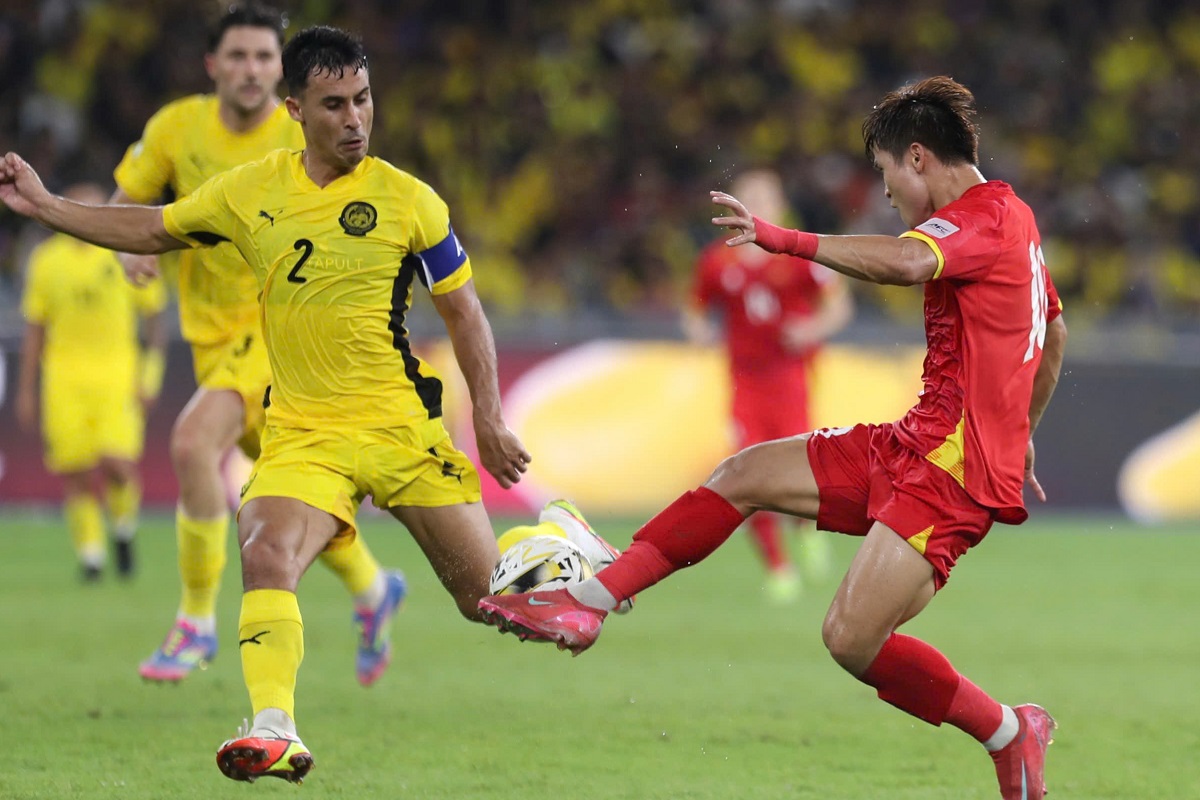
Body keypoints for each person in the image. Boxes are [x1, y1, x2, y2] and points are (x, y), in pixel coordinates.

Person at [0, 24, 618, 786]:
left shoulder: (410, 201)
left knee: (485, 601)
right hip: (303, 431)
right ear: (295, 110)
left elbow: (466, 312)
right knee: (264, 547)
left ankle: (562, 540)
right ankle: (274, 727)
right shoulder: (250, 190)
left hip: (401, 427)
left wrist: (488, 417)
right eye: (335, 105)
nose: (355, 118)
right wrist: (47, 206)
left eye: (363, 100)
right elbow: (154, 228)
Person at [477, 76, 1068, 800]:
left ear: (917, 158)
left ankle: (1011, 732)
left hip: (952, 477)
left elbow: (908, 262)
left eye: (885, 176)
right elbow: (1055, 332)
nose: (886, 195)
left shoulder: (987, 216)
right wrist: (1024, 428)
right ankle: (589, 601)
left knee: (849, 639)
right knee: (744, 473)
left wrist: (782, 240)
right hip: (914, 444)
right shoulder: (1013, 221)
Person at [110, 3, 403, 687]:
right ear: (214, 65)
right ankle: (372, 587)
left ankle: (195, 623)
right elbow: (129, 206)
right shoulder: (175, 130)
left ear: (284, 74)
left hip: (280, 336)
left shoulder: (304, 133)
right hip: (212, 341)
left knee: (189, 444)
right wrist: (133, 255)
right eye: (238, 57)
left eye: (265, 58)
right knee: (286, 498)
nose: (251, 70)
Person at [683, 168, 853, 603]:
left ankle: (804, 527)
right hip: (744, 385)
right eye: (749, 197)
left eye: (765, 197)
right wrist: (699, 332)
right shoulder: (717, 262)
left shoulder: (796, 254)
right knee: (746, 470)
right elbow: (695, 310)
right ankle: (778, 569)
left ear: (779, 206)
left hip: (791, 380)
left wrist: (811, 328)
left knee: (795, 465)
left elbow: (839, 307)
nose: (757, 205)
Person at [16, 182, 168, 582]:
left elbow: (155, 324)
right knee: (76, 470)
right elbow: (35, 329)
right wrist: (26, 389)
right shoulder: (47, 261)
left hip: (117, 375)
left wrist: (149, 377)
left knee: (117, 462)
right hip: (63, 378)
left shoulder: (123, 253)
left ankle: (122, 529)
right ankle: (92, 556)